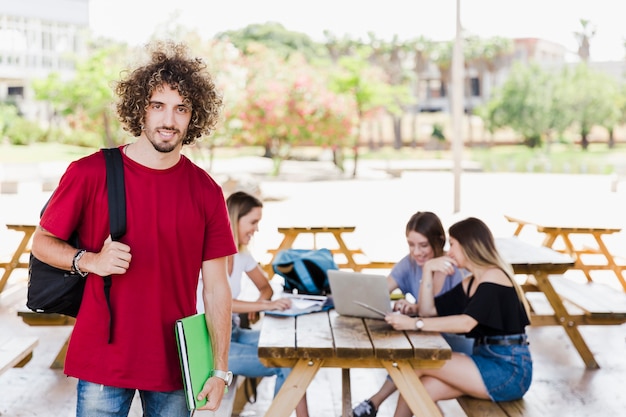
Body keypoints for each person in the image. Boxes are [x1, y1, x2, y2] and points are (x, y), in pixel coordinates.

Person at [31, 41, 236, 417]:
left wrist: (220, 369)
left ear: (194, 117)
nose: (168, 120)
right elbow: (41, 242)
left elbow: (217, 286)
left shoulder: (206, 191)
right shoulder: (89, 172)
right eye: (157, 106)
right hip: (103, 360)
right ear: (139, 108)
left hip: (175, 363)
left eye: (181, 108)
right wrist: (89, 260)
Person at [385, 217, 533, 417]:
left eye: (453, 244)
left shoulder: (494, 276)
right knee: (422, 389)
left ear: (468, 245)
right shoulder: (471, 282)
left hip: (509, 370)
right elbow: (428, 310)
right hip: (485, 360)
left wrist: (414, 323)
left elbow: (466, 323)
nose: (450, 251)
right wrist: (428, 270)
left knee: (418, 363)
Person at [198, 191, 310, 417]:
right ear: (234, 218)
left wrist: (259, 303)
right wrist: (263, 306)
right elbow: (219, 302)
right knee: (285, 363)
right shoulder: (208, 254)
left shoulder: (241, 254)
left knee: (292, 351)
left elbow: (266, 288)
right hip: (209, 344)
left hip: (234, 331)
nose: (256, 229)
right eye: (253, 222)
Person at [353, 211, 473, 417]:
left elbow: (450, 316)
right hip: (427, 339)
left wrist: (418, 310)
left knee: (409, 366)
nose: (416, 252)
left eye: (423, 245)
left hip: (457, 345)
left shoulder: (456, 269)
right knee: (411, 373)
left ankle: (374, 401)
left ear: (439, 242)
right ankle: (374, 402)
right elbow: (379, 291)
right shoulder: (408, 263)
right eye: (411, 244)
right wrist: (413, 308)